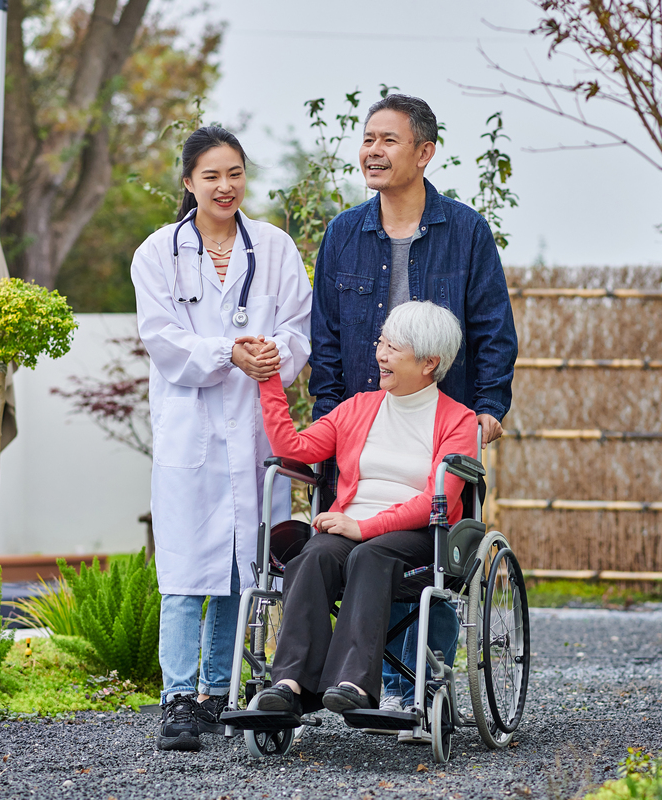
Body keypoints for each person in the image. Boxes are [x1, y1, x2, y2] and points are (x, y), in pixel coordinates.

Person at [307, 93, 518, 738]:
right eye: (368, 138)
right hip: (358, 429)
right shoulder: (344, 233)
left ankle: (416, 684)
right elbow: (326, 345)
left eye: (388, 140)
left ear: (424, 153)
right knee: (333, 549)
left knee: (430, 546)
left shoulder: (465, 232)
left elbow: (492, 330)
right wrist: (323, 432)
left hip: (438, 424)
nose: (372, 150)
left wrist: (488, 408)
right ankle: (321, 680)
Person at [130, 126, 312, 752]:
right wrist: (226, 352)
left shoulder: (276, 248)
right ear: (188, 182)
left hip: (257, 428)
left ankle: (216, 691)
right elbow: (162, 339)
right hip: (191, 428)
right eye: (211, 175)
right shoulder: (157, 253)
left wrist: (272, 353)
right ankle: (177, 697)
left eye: (235, 173)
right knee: (183, 572)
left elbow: (298, 328)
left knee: (242, 566)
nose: (225, 186)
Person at [252, 302, 477, 716]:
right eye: (381, 342)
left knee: (371, 554)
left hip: (418, 535)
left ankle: (353, 683)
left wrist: (364, 527)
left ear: (430, 362)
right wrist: (269, 382)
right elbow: (293, 449)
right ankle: (290, 684)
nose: (381, 354)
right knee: (315, 554)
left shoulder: (458, 421)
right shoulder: (357, 408)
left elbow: (435, 502)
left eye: (394, 347)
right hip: (350, 527)